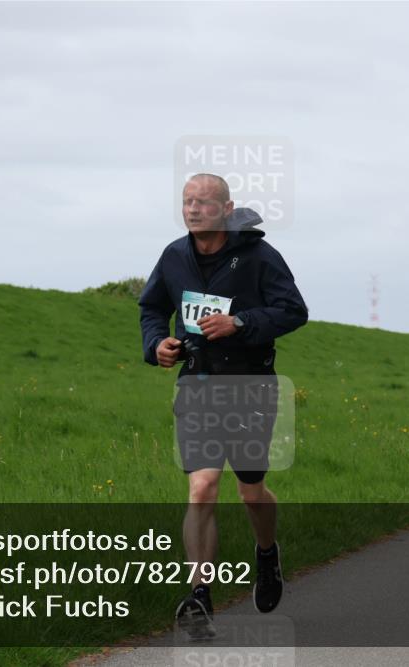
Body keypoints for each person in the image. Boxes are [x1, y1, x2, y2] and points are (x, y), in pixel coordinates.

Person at [139, 173, 308, 638]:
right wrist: (157, 344)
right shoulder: (174, 256)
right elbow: (151, 308)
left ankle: (267, 554)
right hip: (196, 383)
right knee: (202, 487)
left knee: (251, 491)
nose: (193, 210)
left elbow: (294, 310)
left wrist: (240, 322)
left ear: (226, 207)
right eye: (187, 201)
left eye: (204, 202)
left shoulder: (259, 257)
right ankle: (199, 597)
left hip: (250, 387)